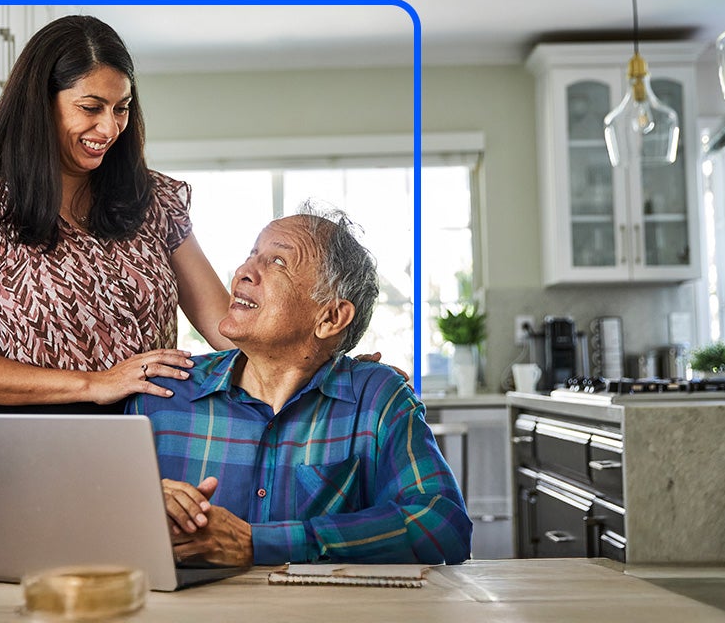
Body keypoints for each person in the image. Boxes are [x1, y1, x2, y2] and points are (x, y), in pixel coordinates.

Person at [0, 15, 232, 414]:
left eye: (122, 109)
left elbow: (225, 328)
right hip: (28, 446)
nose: (109, 128)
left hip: (149, 435)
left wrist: (305, 344)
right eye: (90, 107)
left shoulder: (152, 201)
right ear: (41, 104)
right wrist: (94, 384)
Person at [126, 207, 472, 566]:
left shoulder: (376, 399)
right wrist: (139, 502)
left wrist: (258, 543)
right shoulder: (162, 393)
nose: (244, 272)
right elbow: (85, 516)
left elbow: (443, 526)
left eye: (277, 262)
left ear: (331, 317)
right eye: (251, 255)